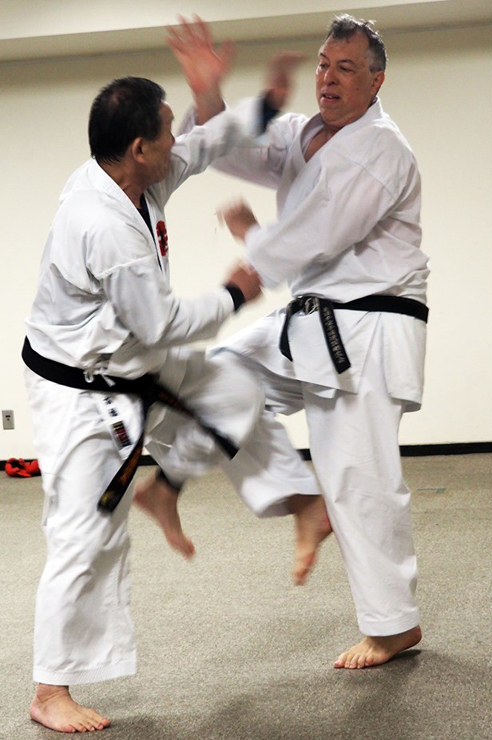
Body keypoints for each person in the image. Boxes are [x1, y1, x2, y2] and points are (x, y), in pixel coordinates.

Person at [23, 19, 329, 733]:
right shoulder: (105, 226)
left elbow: (198, 147)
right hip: (83, 393)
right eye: (165, 130)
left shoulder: (129, 175)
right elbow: (160, 324)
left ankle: (170, 488)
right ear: (138, 149)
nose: (176, 140)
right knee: (84, 535)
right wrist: (236, 292)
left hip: (130, 366)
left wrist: (242, 101)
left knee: (232, 388)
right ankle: (48, 690)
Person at [182, 13, 430, 670]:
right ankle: (301, 500)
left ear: (377, 81)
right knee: (217, 378)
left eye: (346, 68)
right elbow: (231, 147)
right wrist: (209, 95)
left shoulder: (382, 149)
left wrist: (251, 242)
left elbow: (320, 234)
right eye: (324, 64)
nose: (328, 78)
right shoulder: (304, 133)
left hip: (370, 326)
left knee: (359, 475)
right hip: (311, 321)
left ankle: (394, 624)